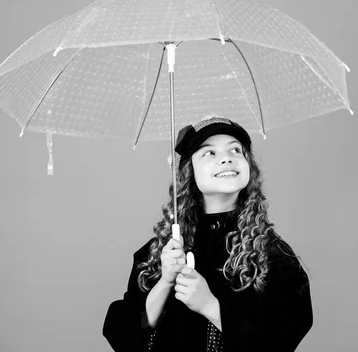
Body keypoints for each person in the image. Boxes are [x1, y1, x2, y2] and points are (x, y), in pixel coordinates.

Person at [103, 116, 313, 352]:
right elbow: (123, 333)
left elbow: (284, 334)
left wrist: (210, 306)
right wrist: (165, 282)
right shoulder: (162, 251)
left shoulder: (270, 253)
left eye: (236, 150)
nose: (226, 158)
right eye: (209, 153)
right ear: (187, 172)